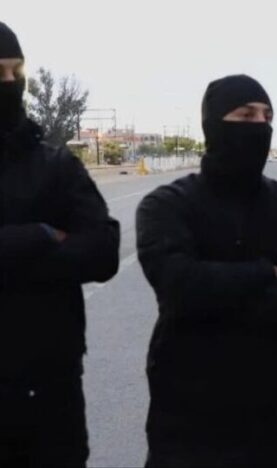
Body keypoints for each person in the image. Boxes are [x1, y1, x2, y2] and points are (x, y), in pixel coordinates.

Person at [136, 74, 277, 467]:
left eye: (267, 116)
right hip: (188, 429)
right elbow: (179, 285)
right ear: (214, 124)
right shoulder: (167, 205)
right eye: (246, 115)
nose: (260, 125)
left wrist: (215, 294)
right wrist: (265, 273)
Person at [0, 22, 120, 467]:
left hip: (51, 395)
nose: (10, 82)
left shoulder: (55, 165)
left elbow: (104, 251)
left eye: (16, 71)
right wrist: (42, 235)